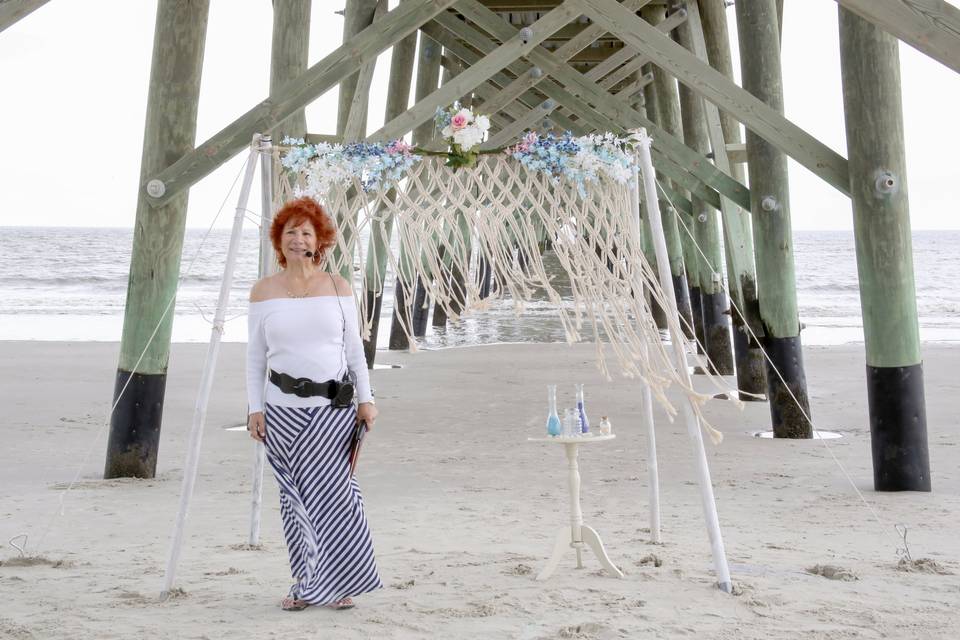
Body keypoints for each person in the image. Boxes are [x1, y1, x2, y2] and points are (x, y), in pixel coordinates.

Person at [246, 196, 381, 612]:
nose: (298, 238)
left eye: (306, 232)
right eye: (290, 231)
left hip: (333, 412)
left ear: (319, 240)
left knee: (337, 497)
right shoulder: (263, 291)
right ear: (279, 240)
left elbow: (354, 350)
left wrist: (366, 399)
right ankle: (305, 584)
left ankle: (341, 583)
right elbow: (254, 357)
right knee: (296, 501)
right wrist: (255, 408)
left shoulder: (338, 287)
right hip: (282, 412)